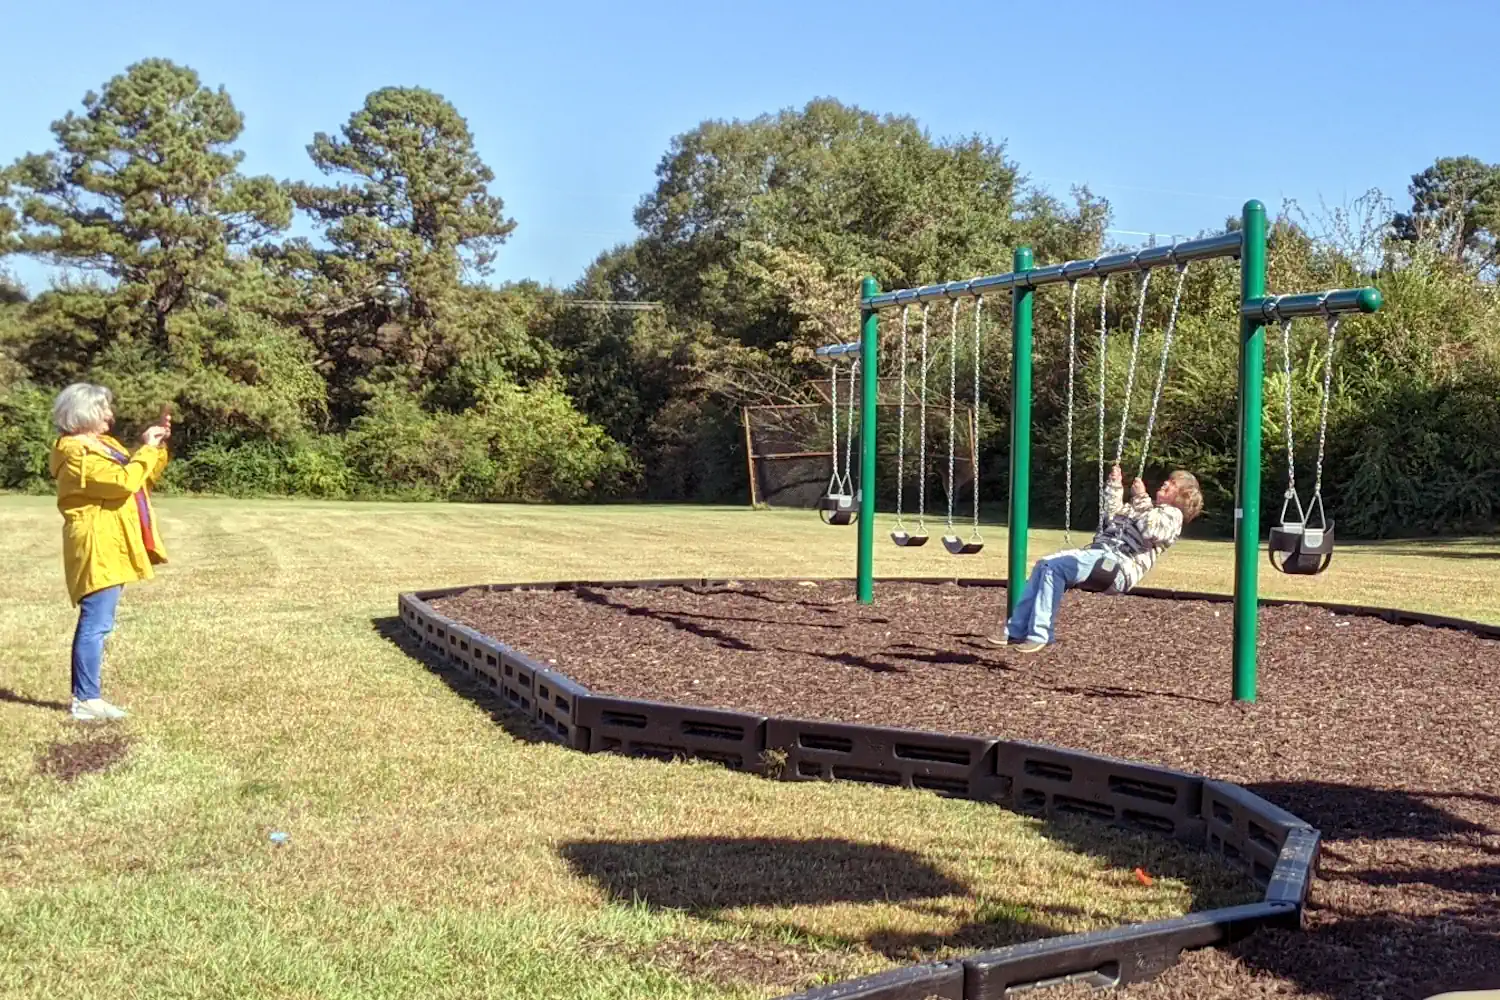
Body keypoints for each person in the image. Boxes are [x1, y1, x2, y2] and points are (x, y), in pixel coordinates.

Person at [47, 383, 172, 722]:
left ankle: (87, 697)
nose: (110, 416)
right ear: (84, 413)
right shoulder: (75, 453)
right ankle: (87, 700)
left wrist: (156, 448)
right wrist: (145, 449)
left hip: (111, 540)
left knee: (100, 621)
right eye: (104, 410)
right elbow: (122, 483)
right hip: (96, 543)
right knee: (96, 622)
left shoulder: (102, 444)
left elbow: (142, 476)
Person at [991, 463, 1203, 653]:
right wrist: (1115, 486)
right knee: (1044, 565)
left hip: (1119, 565)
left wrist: (1140, 497)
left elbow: (1150, 530)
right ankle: (1016, 630)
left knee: (1053, 568)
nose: (1166, 483)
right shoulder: (1145, 508)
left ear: (1182, 496)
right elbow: (1112, 516)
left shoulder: (1173, 516)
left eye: (1173, 483)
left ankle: (1041, 634)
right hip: (1102, 556)